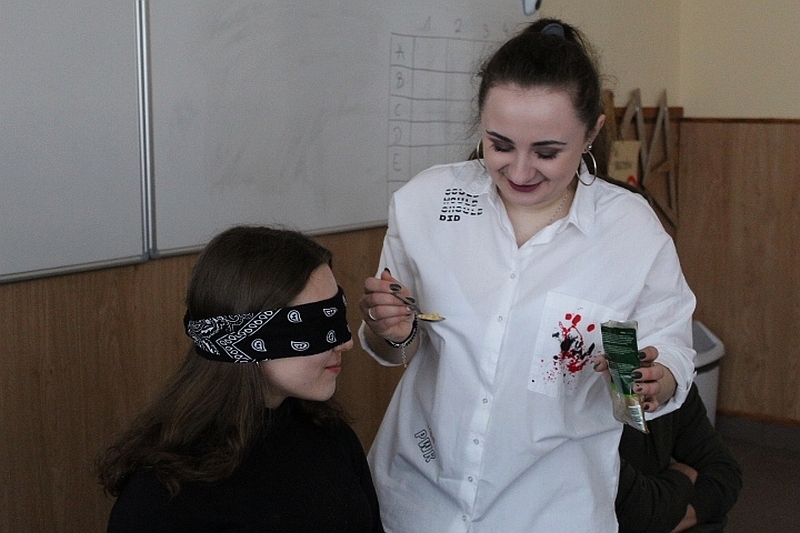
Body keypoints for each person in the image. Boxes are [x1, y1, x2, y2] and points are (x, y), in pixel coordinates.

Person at [358, 18, 696, 532]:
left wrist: (657, 379)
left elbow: (669, 344)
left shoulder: (630, 230)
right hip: (417, 497)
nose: (519, 171)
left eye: (546, 152)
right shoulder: (427, 203)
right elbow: (396, 347)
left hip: (552, 509)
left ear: (591, 133)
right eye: (500, 145)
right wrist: (390, 329)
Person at [97, 226, 384, 533]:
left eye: (337, 315)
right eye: (318, 326)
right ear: (252, 338)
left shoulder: (329, 437)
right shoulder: (163, 494)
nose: (345, 343)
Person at [616, 383, 742, 533]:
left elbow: (725, 472)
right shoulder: (594, 409)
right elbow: (637, 514)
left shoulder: (671, 382)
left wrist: (682, 515)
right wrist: (685, 476)